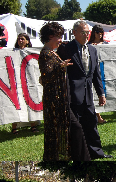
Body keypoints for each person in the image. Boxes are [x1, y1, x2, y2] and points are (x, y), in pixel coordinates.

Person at [57, 20, 112, 159]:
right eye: (83, 32)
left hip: (88, 95)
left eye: (87, 33)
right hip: (72, 95)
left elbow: (95, 74)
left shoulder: (92, 49)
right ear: (74, 33)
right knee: (76, 127)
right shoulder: (66, 49)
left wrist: (101, 93)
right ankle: (77, 153)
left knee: (91, 124)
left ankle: (96, 153)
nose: (86, 35)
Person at [39, 21, 91, 161]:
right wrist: (60, 67)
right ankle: (81, 158)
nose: (61, 40)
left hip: (60, 99)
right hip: (55, 101)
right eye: (58, 37)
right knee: (73, 129)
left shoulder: (52, 52)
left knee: (67, 130)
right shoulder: (45, 54)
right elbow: (46, 77)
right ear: (50, 37)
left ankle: (69, 157)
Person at [12, 33, 38, 135]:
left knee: (31, 103)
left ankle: (33, 125)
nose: (20, 41)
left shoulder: (31, 53)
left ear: (27, 41)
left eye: (22, 39)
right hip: (17, 82)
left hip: (29, 82)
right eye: (19, 39)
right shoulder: (13, 52)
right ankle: (14, 127)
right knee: (16, 104)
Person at [88, 25, 108, 125]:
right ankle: (98, 116)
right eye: (97, 32)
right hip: (93, 72)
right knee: (94, 94)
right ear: (93, 33)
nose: (99, 34)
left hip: (105, 71)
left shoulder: (106, 44)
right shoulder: (88, 45)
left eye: (101, 32)